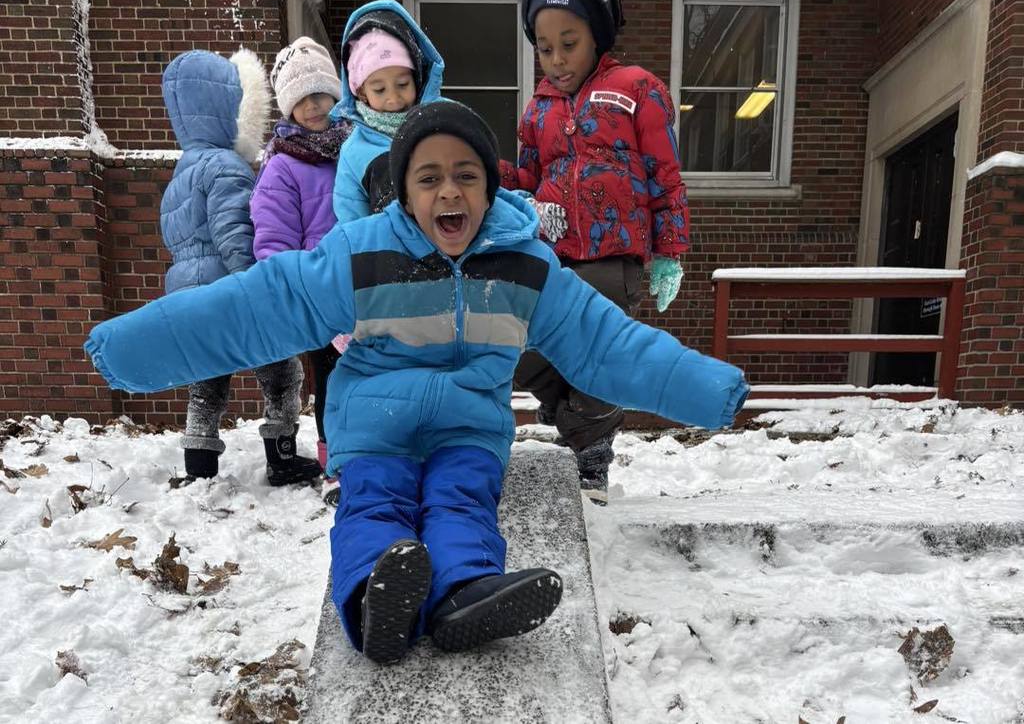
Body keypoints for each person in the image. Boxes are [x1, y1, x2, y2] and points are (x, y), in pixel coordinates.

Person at [85, 101, 748, 665]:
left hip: (467, 430)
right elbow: (258, 307)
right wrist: (133, 350)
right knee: (374, 504)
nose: (449, 192)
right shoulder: (363, 255)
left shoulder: (524, 267)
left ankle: (465, 595)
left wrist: (703, 389)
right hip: (376, 427)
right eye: (429, 178)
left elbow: (607, 344)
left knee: (462, 502)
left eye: (466, 176)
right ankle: (375, 599)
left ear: (491, 189)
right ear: (405, 193)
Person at [501, 0, 691, 503]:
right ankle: (573, 419)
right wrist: (482, 173)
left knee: (597, 356)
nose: (556, 58)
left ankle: (591, 454)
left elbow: (665, 175)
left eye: (569, 43)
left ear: (597, 36)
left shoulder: (635, 90)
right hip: (555, 256)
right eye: (544, 47)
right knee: (530, 345)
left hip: (616, 257)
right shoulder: (536, 110)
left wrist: (669, 251)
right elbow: (529, 180)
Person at [157, 48, 320, 486]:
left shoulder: (182, 172)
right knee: (282, 371)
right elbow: (234, 234)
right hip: (233, 292)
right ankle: (282, 457)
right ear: (229, 111)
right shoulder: (227, 168)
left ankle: (199, 468)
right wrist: (259, 283)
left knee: (207, 382)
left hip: (191, 296)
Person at [251, 37, 353, 499]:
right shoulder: (281, 167)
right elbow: (272, 242)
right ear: (288, 107)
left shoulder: (355, 147)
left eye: (320, 93)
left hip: (368, 284)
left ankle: (381, 454)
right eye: (301, 98)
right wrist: (296, 291)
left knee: (376, 372)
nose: (313, 106)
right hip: (319, 294)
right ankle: (336, 466)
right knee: (333, 379)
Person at [331, 0, 444, 222]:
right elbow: (352, 223)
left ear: (417, 79)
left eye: (403, 84)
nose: (393, 99)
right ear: (361, 92)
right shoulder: (354, 151)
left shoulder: (445, 119)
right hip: (390, 252)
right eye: (379, 89)